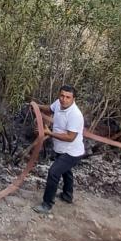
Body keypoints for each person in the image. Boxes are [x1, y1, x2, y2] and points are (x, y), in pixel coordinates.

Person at [32, 85, 85, 213]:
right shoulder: (58, 103)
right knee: (66, 171)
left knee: (54, 173)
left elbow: (70, 137)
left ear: (73, 99)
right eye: (62, 96)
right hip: (61, 149)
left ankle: (46, 205)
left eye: (68, 97)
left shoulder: (75, 115)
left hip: (72, 152)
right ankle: (67, 195)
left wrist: (49, 133)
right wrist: (36, 106)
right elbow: (49, 109)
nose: (64, 99)